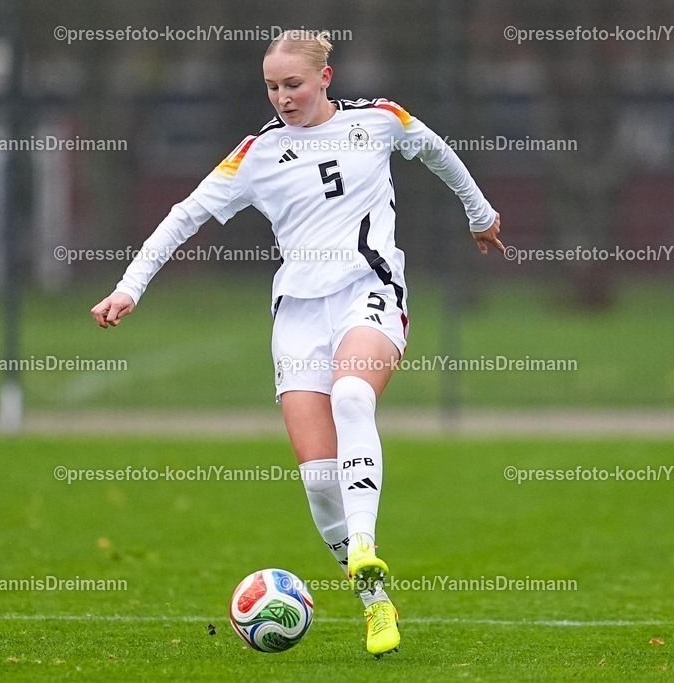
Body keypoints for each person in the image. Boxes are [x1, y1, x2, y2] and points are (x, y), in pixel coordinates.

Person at [90, 29, 503, 657]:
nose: (283, 97)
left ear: (326, 79)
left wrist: (481, 216)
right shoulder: (256, 154)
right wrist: (129, 287)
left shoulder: (381, 120)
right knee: (316, 479)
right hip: (298, 316)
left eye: (294, 85)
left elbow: (440, 153)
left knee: (352, 399)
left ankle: (363, 546)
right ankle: (374, 603)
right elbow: (185, 214)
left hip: (370, 290)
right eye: (272, 87)